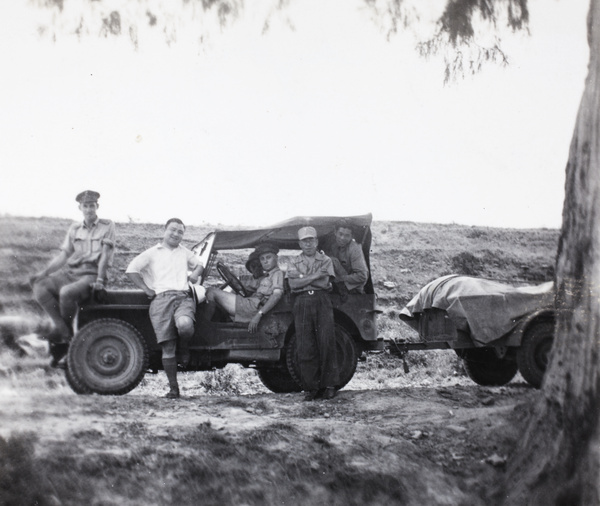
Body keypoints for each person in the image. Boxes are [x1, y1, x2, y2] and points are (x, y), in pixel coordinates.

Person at [30, 190, 115, 367]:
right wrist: (44, 273)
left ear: (97, 206)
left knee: (66, 293)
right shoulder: (74, 228)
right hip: (72, 273)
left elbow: (105, 256)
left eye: (92, 205)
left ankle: (64, 338)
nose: (89, 209)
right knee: (40, 286)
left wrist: (100, 280)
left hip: (91, 274)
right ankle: (65, 333)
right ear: (80, 208)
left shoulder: (107, 226)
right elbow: (64, 255)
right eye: (85, 206)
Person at [126, 218, 204, 399]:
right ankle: (174, 389)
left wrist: (194, 276)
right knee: (168, 347)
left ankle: (184, 347)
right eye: (173, 230)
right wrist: (146, 289)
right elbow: (132, 269)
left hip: (183, 297)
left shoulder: (184, 252)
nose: (176, 234)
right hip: (161, 300)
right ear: (165, 230)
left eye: (180, 232)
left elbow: (200, 264)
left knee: (185, 325)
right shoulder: (152, 252)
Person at [286, 226, 338, 401]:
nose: (308, 244)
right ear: (299, 243)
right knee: (305, 344)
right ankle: (311, 387)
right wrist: (315, 276)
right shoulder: (293, 261)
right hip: (301, 302)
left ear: (316, 241)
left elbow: (324, 284)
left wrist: (302, 278)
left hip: (322, 301)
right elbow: (292, 285)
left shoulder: (326, 260)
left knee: (326, 341)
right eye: (304, 241)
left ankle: (329, 386)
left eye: (311, 240)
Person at [205, 243, 284, 333]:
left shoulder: (277, 273)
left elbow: (276, 296)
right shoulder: (268, 275)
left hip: (253, 308)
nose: (265, 261)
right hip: (251, 304)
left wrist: (259, 314)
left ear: (276, 258)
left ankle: (204, 328)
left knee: (211, 292)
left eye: (268, 257)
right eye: (262, 259)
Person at [324, 219, 369, 295]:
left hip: (353, 290)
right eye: (340, 234)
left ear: (351, 236)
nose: (342, 238)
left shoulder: (355, 248)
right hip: (337, 287)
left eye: (347, 235)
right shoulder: (333, 245)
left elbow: (362, 276)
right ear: (335, 232)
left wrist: (341, 278)